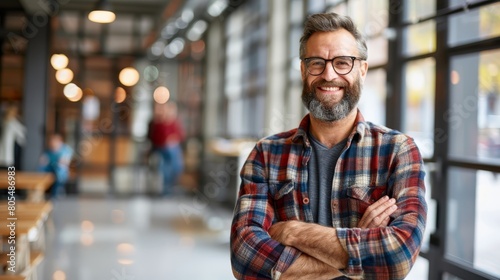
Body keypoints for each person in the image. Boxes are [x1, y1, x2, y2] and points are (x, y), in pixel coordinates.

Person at [230, 13, 427, 280]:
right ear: (303, 70)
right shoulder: (266, 154)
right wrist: (360, 244)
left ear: (362, 70)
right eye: (316, 63)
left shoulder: (398, 152)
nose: (329, 74)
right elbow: (245, 258)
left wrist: (293, 233)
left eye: (343, 63)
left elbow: (398, 258)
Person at [147, 101, 185, 196]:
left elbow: (181, 136)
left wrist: (173, 139)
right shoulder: (157, 123)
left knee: (176, 164)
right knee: (166, 166)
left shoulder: (175, 123)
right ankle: (167, 189)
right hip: (161, 149)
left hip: (173, 148)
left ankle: (172, 186)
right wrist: (167, 141)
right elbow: (154, 138)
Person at [38, 133, 73, 198]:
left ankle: (57, 191)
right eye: (51, 141)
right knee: (41, 168)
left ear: (59, 142)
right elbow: (43, 161)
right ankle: (39, 188)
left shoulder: (65, 150)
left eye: (54, 141)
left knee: (59, 170)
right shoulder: (49, 150)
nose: (52, 143)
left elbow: (64, 162)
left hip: (60, 170)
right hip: (50, 168)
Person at [0, 103, 26, 169]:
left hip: (7, 150)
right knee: (10, 170)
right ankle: (11, 179)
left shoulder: (5, 122)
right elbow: (23, 133)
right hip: (10, 150)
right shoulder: (12, 122)